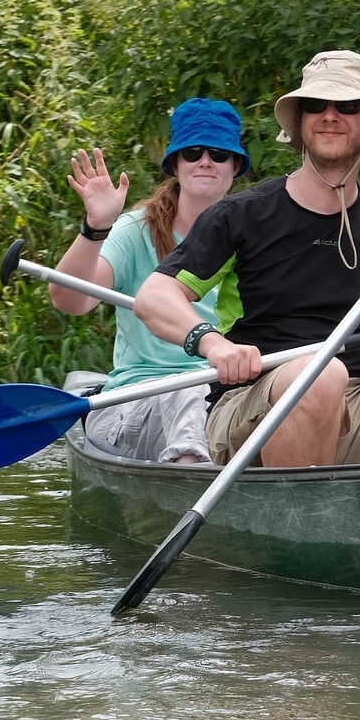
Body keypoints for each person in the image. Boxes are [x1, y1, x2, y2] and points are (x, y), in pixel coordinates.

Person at [134, 50, 360, 467]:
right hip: (253, 403)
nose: (329, 115)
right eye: (315, 105)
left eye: (347, 106)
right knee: (320, 375)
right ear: (300, 122)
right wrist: (212, 343)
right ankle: (294, 520)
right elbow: (154, 297)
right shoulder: (240, 215)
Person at [49, 98, 251, 463]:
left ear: (235, 165)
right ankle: (190, 486)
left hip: (226, 396)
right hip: (136, 399)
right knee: (190, 396)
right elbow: (71, 301)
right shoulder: (136, 229)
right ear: (176, 163)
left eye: (219, 154)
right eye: (193, 152)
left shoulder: (257, 233)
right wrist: (96, 227)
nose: (206, 161)